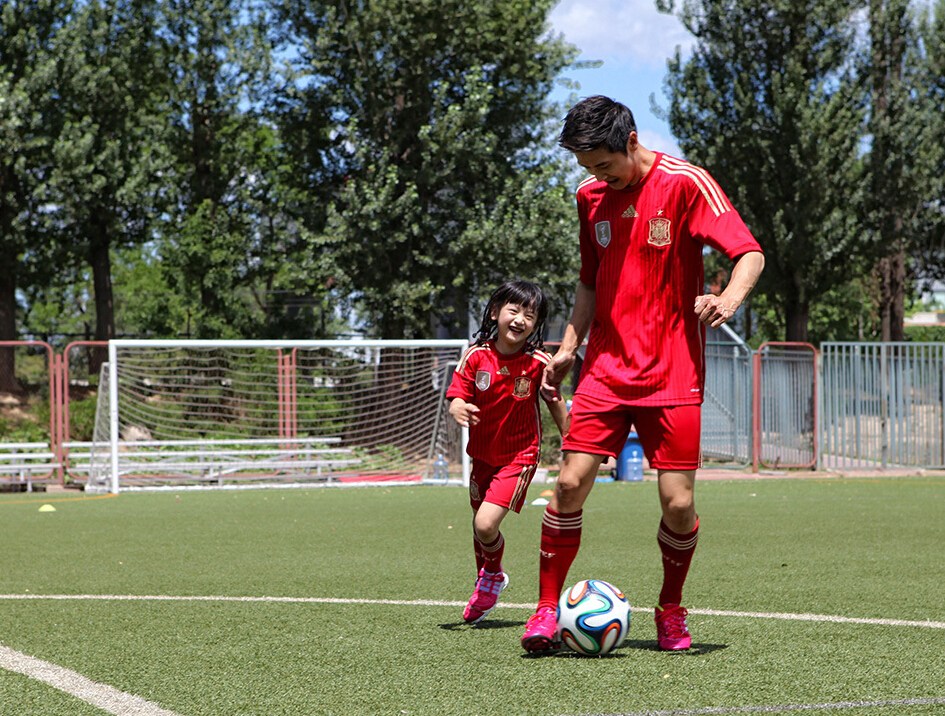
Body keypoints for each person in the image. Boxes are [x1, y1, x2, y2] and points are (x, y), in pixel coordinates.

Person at [521, 96, 765, 653]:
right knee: (567, 484)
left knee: (678, 503)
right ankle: (543, 610)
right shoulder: (589, 197)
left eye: (604, 164)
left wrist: (728, 296)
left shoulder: (685, 184)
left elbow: (749, 252)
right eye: (588, 168)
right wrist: (568, 347)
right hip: (605, 369)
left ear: (631, 141)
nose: (596, 177)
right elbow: (589, 282)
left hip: (673, 371)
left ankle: (671, 610)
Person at [446, 280, 569, 625]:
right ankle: (484, 583)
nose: (519, 320)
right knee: (478, 526)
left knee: (486, 523)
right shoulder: (476, 355)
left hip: (520, 455)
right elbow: (458, 394)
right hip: (481, 456)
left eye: (529, 315)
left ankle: (494, 575)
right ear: (496, 311)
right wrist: (457, 406)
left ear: (536, 323)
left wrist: (573, 441)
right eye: (513, 310)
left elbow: (556, 401)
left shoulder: (538, 362)